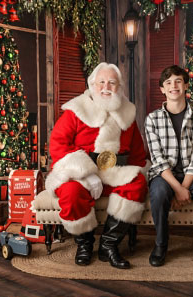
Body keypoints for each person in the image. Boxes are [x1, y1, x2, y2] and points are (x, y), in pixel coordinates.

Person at [38, 62, 148, 269]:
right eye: (102, 82)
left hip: (114, 170)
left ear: (119, 87)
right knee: (70, 193)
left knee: (137, 183)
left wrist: (137, 171)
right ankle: (84, 244)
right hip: (79, 173)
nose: (106, 87)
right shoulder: (75, 110)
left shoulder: (128, 113)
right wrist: (86, 174)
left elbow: (137, 153)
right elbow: (58, 144)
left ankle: (109, 244)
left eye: (112, 83)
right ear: (92, 85)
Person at [144, 65, 193, 268]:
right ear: (162, 89)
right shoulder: (152, 119)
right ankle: (161, 245)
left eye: (178, 81)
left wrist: (184, 188)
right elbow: (157, 160)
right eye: (168, 82)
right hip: (164, 175)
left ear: (186, 86)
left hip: (191, 175)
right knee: (160, 192)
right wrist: (177, 189)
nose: (173, 86)